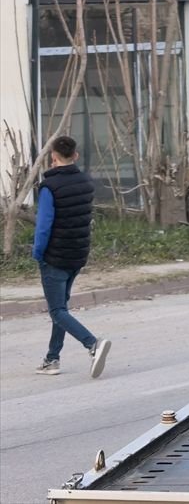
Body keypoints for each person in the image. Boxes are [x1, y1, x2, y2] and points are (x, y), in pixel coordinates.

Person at [33, 135, 112, 378]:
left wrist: (38, 253)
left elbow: (44, 225)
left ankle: (92, 344)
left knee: (57, 310)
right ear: (75, 156)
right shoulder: (86, 182)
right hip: (77, 254)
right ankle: (52, 359)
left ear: (53, 158)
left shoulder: (49, 187)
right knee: (62, 308)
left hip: (55, 257)